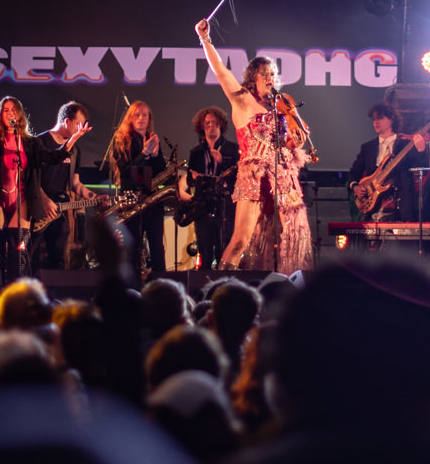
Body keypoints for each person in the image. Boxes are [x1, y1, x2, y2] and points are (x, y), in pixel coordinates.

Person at [195, 19, 312, 272]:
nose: (271, 78)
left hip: (282, 178)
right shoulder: (243, 101)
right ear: (254, 76)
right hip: (255, 175)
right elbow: (220, 72)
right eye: (265, 74)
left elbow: (285, 145)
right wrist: (205, 39)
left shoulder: (280, 109)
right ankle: (221, 291)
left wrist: (295, 141)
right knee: (241, 240)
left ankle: (279, 292)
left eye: (273, 74)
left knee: (288, 239)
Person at [0, 96, 89, 278]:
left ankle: (16, 296)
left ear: (20, 115)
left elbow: (53, 158)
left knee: (19, 254)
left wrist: (72, 140)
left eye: (13, 110)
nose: (9, 114)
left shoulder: (31, 143)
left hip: (21, 199)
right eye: (5, 110)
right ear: (0, 115)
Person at [34, 101, 99, 270]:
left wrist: (94, 197)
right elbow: (31, 178)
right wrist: (45, 199)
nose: (81, 130)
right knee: (32, 259)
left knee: (59, 259)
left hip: (59, 210)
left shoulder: (75, 150)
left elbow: (75, 183)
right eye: (78, 124)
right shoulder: (39, 142)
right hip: (37, 208)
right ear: (67, 122)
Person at [107, 100, 169, 275]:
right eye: (137, 114)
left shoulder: (153, 139)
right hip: (131, 201)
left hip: (153, 201)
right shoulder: (121, 140)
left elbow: (162, 172)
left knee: (157, 246)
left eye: (144, 115)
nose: (141, 118)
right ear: (130, 118)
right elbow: (126, 171)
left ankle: (161, 285)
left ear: (149, 118)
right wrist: (144, 154)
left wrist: (156, 155)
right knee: (133, 247)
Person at [347, 101, 427, 222]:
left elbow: (420, 169)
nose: (376, 122)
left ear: (391, 120)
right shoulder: (367, 147)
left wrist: (421, 151)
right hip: (373, 208)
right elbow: (353, 172)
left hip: (400, 206)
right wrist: (355, 186)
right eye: (373, 119)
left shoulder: (405, 145)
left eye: (380, 118)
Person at [180, 106, 239, 268]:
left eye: (214, 122)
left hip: (225, 206)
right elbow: (191, 182)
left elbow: (239, 177)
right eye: (207, 123)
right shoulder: (196, 152)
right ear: (202, 127)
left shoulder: (232, 149)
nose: (211, 126)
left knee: (223, 249)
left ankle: (224, 288)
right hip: (202, 206)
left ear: (221, 124)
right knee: (204, 250)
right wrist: (194, 179)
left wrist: (222, 163)